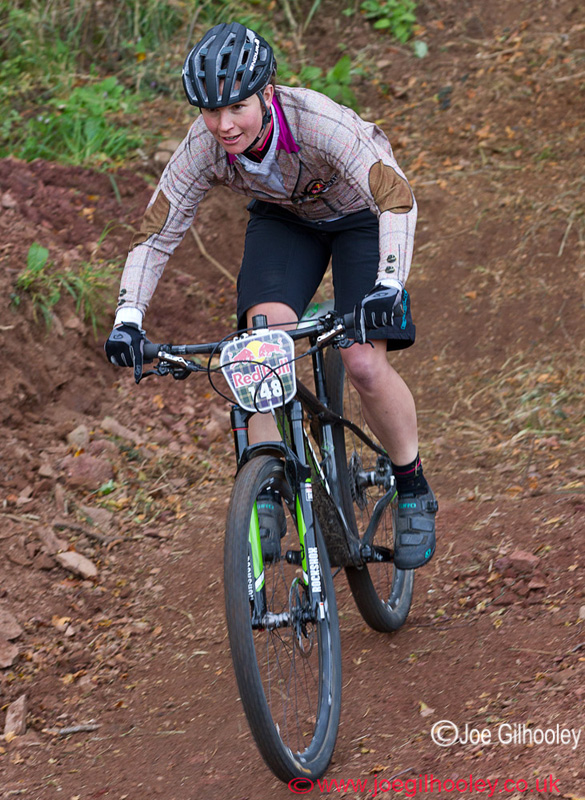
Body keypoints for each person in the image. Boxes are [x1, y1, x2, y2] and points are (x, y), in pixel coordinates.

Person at [105, 21, 437, 569]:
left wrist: (388, 283)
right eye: (210, 111)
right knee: (261, 344)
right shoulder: (202, 146)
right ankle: (263, 479)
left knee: (362, 361)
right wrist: (128, 316)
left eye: (236, 107)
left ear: (266, 93)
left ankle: (411, 483)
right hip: (286, 223)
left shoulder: (318, 122)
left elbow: (395, 196)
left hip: (360, 219)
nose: (222, 125)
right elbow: (157, 232)